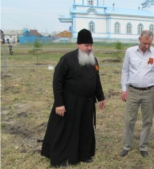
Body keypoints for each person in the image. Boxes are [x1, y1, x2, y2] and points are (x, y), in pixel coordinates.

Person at [41, 29, 106, 167]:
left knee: (85, 128)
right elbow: (57, 81)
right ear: (78, 44)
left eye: (90, 45)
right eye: (86, 45)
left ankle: (84, 154)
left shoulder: (94, 60)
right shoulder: (67, 59)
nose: (89, 48)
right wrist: (59, 103)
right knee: (66, 130)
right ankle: (60, 158)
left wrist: (101, 97)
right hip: (69, 101)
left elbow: (96, 79)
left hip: (87, 101)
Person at [119, 30, 154, 158]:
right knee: (129, 120)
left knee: (147, 120)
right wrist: (124, 89)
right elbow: (125, 70)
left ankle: (143, 146)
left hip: (150, 92)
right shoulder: (130, 52)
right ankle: (127, 145)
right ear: (139, 39)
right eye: (145, 43)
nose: (147, 46)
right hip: (132, 90)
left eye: (149, 43)